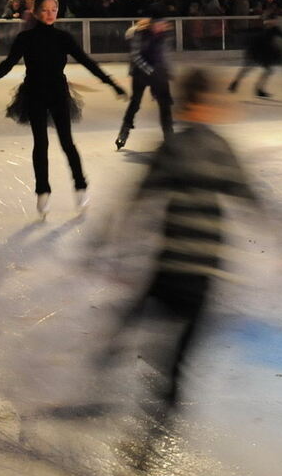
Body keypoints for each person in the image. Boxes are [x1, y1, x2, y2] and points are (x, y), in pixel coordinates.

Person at [102, 68, 261, 416]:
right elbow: (250, 197)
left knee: (155, 306)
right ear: (201, 104)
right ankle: (163, 381)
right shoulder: (215, 148)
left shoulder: (174, 147)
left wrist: (111, 244)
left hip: (181, 257)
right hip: (193, 259)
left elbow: (137, 199)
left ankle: (133, 361)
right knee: (179, 316)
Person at [0, 0, 126, 218]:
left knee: (67, 143)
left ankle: (80, 186)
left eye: (54, 10)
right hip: (34, 94)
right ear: (35, 12)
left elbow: (87, 62)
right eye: (44, 10)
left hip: (58, 94)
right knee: (40, 144)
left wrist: (111, 83)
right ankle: (42, 190)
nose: (50, 14)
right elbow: (6, 66)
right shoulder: (26, 39)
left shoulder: (63, 38)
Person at [115, 17, 174, 150]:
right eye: (161, 23)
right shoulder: (140, 33)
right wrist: (149, 71)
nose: (163, 26)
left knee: (165, 104)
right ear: (153, 24)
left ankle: (169, 137)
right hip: (140, 73)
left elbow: (165, 54)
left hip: (158, 72)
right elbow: (135, 56)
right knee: (135, 103)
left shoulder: (164, 35)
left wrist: (168, 71)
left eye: (165, 24)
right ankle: (124, 132)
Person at [228, 13, 282, 98]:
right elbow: (248, 31)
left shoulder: (275, 29)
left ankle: (258, 88)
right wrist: (236, 31)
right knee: (248, 68)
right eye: (272, 20)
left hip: (263, 52)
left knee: (267, 70)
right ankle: (237, 84)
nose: (274, 22)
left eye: (274, 20)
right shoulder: (262, 28)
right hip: (256, 51)